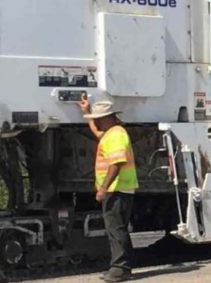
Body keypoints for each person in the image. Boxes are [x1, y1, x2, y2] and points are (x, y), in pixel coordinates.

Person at [80, 97, 136, 281]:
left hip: (117, 189)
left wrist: (103, 188)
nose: (95, 120)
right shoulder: (111, 133)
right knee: (116, 229)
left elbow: (116, 163)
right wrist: (86, 112)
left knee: (116, 229)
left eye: (97, 117)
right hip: (119, 189)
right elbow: (97, 133)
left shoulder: (116, 135)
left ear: (106, 118)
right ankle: (120, 267)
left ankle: (120, 269)